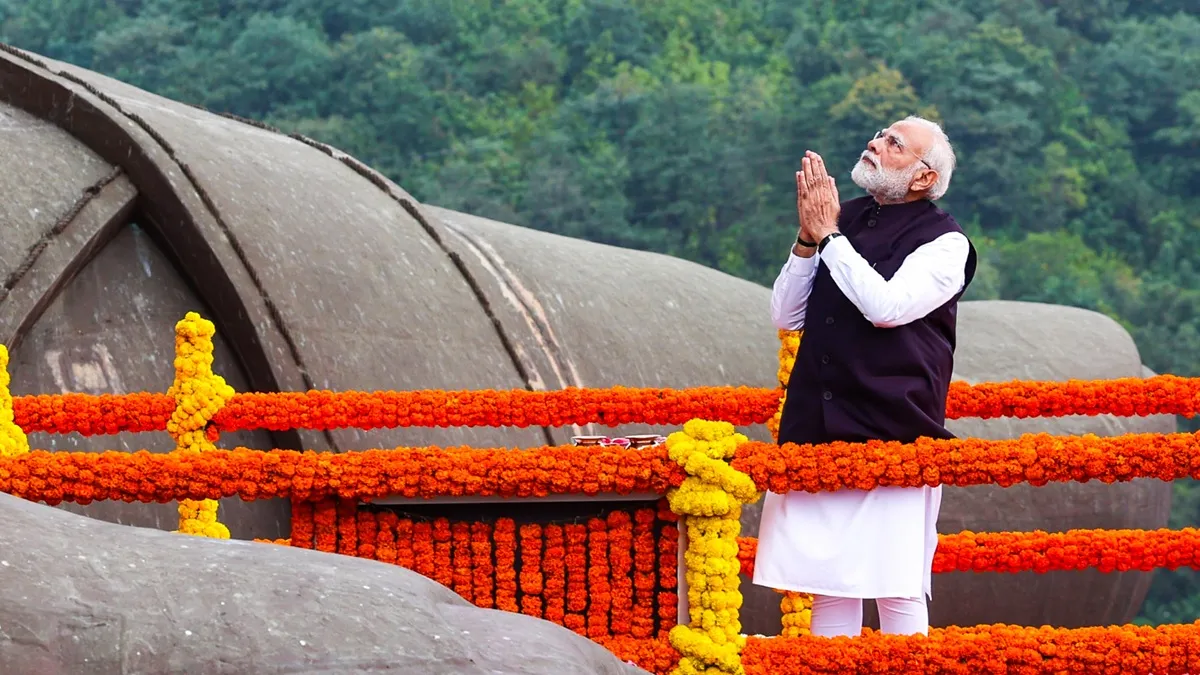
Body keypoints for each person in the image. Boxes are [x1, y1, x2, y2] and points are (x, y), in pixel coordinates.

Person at [751, 116, 977, 638]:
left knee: (897, 584)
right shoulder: (840, 220)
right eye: (879, 134)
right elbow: (786, 315)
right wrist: (807, 240)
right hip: (818, 423)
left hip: (894, 428)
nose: (875, 143)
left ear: (923, 177)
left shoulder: (947, 243)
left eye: (894, 143)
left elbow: (887, 308)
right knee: (828, 584)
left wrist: (830, 237)